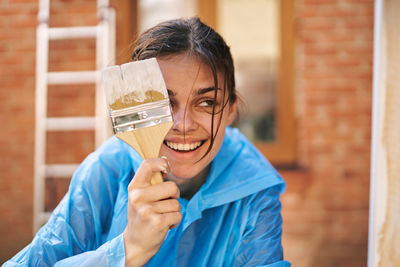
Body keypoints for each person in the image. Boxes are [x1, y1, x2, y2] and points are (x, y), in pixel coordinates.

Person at [4, 17, 290, 267]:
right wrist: (129, 249)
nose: (183, 125)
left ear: (230, 110)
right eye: (164, 102)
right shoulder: (106, 170)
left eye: (206, 102)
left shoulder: (256, 190)